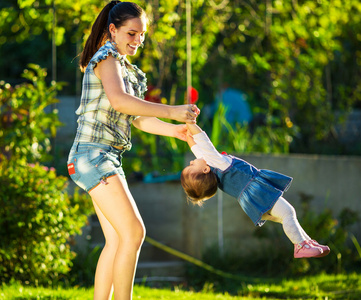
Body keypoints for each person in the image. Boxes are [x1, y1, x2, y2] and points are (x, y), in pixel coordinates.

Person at [67, 2, 199, 299]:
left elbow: (137, 118)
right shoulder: (107, 58)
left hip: (101, 157)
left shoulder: (128, 69)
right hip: (92, 156)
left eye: (141, 35)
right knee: (134, 233)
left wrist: (174, 129)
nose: (137, 40)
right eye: (131, 33)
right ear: (112, 30)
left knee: (116, 241)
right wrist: (173, 110)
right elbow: (120, 102)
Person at [180, 123, 330, 259]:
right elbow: (203, 141)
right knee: (288, 212)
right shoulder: (216, 162)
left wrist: (188, 137)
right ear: (205, 169)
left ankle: (306, 242)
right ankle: (300, 246)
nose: (192, 161)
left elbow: (197, 149)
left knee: (288, 216)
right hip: (257, 193)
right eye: (191, 165)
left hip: (250, 202)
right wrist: (190, 122)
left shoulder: (212, 168)